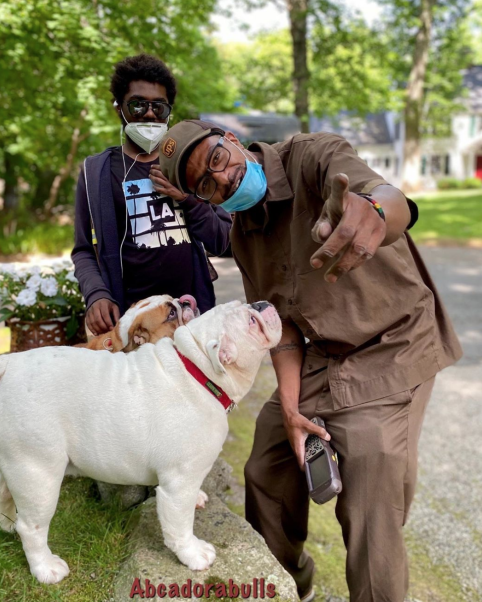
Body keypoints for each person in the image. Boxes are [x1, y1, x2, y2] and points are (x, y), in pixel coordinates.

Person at [157, 119, 463, 602]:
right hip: (319, 353)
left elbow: (387, 199)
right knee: (265, 467)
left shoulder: (314, 157)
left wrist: (376, 211)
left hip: (390, 348)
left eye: (217, 159)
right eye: (206, 186)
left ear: (230, 140)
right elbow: (280, 330)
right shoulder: (243, 234)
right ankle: (285, 586)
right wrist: (294, 410)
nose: (223, 179)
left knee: (368, 493)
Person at [72, 56, 231, 335]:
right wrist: (96, 294)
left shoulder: (190, 165)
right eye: (137, 105)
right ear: (119, 109)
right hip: (131, 325)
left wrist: (187, 199)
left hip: (191, 317)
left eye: (158, 107)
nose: (148, 114)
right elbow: (84, 249)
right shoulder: (96, 171)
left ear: (168, 111)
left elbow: (224, 241)